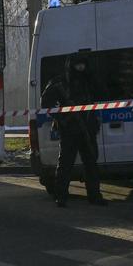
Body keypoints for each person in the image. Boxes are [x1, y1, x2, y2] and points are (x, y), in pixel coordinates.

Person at [41, 51, 108, 208]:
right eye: (78, 64)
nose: (80, 67)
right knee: (65, 164)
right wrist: (62, 119)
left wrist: (93, 78)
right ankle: (61, 197)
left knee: (91, 163)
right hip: (70, 129)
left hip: (87, 127)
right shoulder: (60, 82)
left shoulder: (89, 80)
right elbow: (46, 103)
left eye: (83, 64)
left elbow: (103, 94)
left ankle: (94, 195)